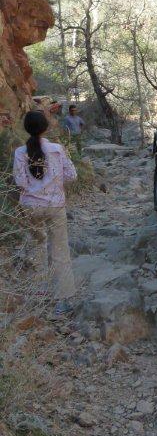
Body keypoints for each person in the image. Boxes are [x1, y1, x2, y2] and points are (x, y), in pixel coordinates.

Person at [13, 110, 77, 315]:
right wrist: (55, 184)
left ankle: (39, 294)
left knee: (37, 248)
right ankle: (62, 301)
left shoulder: (19, 153)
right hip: (55, 205)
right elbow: (71, 175)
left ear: (26, 129)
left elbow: (20, 182)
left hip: (31, 207)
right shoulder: (57, 149)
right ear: (46, 128)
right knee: (59, 251)